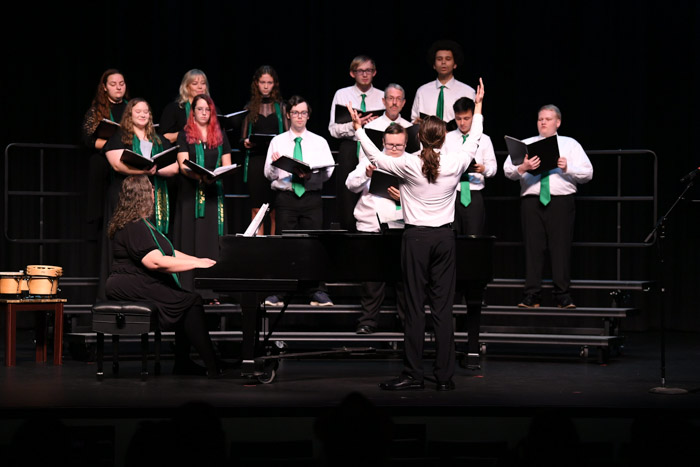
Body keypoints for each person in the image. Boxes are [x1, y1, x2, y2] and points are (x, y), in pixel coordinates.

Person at [350, 78, 485, 391]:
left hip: (417, 240)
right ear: (443, 138)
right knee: (442, 309)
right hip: (444, 240)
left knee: (414, 307)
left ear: (419, 137)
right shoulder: (454, 162)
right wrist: (478, 106)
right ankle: (444, 376)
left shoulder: (409, 163)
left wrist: (358, 128)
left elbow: (376, 157)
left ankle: (413, 374)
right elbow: (474, 139)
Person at [105, 175, 232, 377]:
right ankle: (213, 366)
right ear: (144, 195)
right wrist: (195, 264)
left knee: (187, 301)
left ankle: (184, 363)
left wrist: (200, 260)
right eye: (152, 189)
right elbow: (155, 262)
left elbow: (168, 252)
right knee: (190, 301)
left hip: (137, 279)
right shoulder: (134, 226)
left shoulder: (144, 224)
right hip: (128, 282)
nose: (155, 193)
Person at [503, 105, 593, 309]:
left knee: (560, 248)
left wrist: (568, 167)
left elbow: (588, 173)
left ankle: (562, 295)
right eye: (540, 119)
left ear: (558, 122)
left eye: (548, 119)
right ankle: (531, 295)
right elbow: (507, 171)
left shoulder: (570, 144)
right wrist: (523, 167)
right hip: (532, 201)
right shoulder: (525, 143)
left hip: (560, 201)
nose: (543, 122)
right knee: (533, 249)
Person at [98, 98, 178, 301]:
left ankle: (151, 288)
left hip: (152, 197)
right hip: (126, 196)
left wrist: (155, 169)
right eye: (138, 111)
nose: (143, 115)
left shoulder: (159, 140)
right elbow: (116, 165)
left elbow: (175, 166)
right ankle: (123, 289)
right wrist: (142, 170)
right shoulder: (120, 137)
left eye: (146, 112)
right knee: (128, 240)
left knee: (149, 242)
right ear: (129, 115)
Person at [263, 95, 335, 307]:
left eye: (303, 113)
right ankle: (281, 292)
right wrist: (277, 165)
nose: (299, 116)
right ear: (288, 115)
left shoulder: (319, 141)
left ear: (308, 115)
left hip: (311, 196)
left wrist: (311, 176)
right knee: (285, 245)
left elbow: (329, 171)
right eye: (295, 113)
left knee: (314, 245)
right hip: (286, 197)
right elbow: (268, 173)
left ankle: (316, 291)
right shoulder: (278, 141)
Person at [346, 124, 408, 335]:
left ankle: (407, 322)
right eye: (390, 144)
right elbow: (350, 185)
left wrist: (404, 197)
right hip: (371, 226)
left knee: (404, 279)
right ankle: (368, 321)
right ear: (383, 142)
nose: (394, 149)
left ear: (406, 143)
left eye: (399, 145)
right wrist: (367, 174)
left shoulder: (412, 162)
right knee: (372, 281)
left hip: (401, 228)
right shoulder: (369, 159)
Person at [174, 94, 233, 301]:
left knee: (212, 240)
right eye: (199, 109)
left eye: (207, 110)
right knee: (191, 239)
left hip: (213, 194)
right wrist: (199, 175)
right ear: (193, 111)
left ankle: (213, 292)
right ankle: (190, 291)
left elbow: (227, 162)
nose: (204, 113)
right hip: (191, 193)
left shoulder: (220, 134)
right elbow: (183, 164)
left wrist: (215, 175)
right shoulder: (185, 134)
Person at [328, 55, 384, 231]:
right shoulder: (342, 94)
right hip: (350, 146)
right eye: (360, 71)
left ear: (374, 73)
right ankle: (348, 231)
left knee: (372, 188)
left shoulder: (382, 96)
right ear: (353, 73)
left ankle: (373, 227)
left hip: (375, 146)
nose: (365, 75)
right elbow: (333, 129)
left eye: (368, 70)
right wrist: (356, 126)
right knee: (347, 192)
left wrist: (370, 125)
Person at [241, 65, 289, 235]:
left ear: (274, 84)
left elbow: (288, 135)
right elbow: (243, 137)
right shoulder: (250, 108)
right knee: (257, 207)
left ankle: (274, 246)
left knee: (275, 209)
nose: (266, 86)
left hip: (276, 161)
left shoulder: (281, 108)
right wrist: (246, 142)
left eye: (269, 82)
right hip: (256, 160)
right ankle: (258, 246)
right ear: (257, 84)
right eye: (263, 82)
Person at [81, 69, 129, 231]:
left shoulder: (132, 108)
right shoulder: (97, 110)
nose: (118, 88)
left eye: (121, 84)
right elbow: (88, 139)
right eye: (113, 84)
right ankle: (100, 219)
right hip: (105, 158)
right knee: (97, 163)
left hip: (128, 155)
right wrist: (112, 144)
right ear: (105, 87)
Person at [443, 97, 497, 236]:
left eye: (466, 118)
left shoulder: (484, 139)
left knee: (474, 237)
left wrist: (483, 169)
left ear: (474, 116)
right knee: (452, 236)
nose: (462, 123)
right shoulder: (447, 139)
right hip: (452, 194)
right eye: (458, 118)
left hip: (474, 194)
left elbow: (493, 168)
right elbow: (442, 165)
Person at [410, 40, 475, 128]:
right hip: (428, 140)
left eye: (448, 59)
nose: (443, 62)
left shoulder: (468, 92)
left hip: (457, 140)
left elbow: (475, 123)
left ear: (455, 64)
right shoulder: (422, 91)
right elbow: (414, 120)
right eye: (439, 59)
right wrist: (416, 123)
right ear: (434, 65)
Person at [158, 69, 210, 144]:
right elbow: (162, 138)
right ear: (186, 87)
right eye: (195, 84)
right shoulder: (174, 108)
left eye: (203, 83)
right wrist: (188, 134)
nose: (200, 87)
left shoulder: (213, 109)